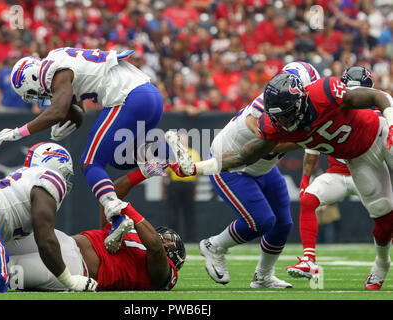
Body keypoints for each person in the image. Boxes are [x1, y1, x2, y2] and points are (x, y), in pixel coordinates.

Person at [172, 68, 393, 291]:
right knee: (384, 215)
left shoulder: (324, 91)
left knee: (280, 222)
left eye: (285, 114)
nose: (282, 122)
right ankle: (381, 264)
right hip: (356, 159)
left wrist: (391, 122)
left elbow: (378, 96)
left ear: (300, 99)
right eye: (277, 116)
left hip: (382, 133)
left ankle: (264, 274)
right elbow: (244, 155)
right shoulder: (274, 123)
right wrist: (196, 169)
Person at [0, 48, 180, 253]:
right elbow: (75, 107)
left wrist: (18, 132)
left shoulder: (54, 71)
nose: (38, 95)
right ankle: (163, 151)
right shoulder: (60, 59)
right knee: (118, 158)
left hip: (129, 97)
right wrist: (66, 121)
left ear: (32, 75)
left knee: (91, 163)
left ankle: (115, 213)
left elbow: (57, 110)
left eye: (31, 91)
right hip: (151, 96)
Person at [185, 61, 320, 289]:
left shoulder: (302, 105)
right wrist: (310, 139)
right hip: (230, 164)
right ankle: (214, 245)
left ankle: (263, 276)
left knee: (283, 223)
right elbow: (269, 144)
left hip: (262, 168)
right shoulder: (264, 107)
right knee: (262, 221)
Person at [0, 142, 97, 292]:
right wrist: (69, 280)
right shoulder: (50, 178)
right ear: (56, 165)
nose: (64, 178)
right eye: (65, 172)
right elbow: (45, 239)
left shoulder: (22, 176)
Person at [4, 168, 185, 291]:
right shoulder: (128, 232)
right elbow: (111, 193)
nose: (164, 238)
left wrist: (125, 208)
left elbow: (154, 245)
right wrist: (142, 173)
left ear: (172, 255)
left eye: (169, 240)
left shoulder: (164, 272)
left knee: (3, 271)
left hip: (75, 269)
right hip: (63, 241)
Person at [286, 66, 376, 280]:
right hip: (337, 174)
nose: (354, 97)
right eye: (350, 91)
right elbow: (312, 147)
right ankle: (309, 261)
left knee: (386, 215)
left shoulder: (377, 113)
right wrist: (305, 180)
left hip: (367, 173)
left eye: (358, 91)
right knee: (308, 200)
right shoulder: (330, 108)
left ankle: (382, 263)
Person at [164, 134, 201, 242]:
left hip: (188, 185)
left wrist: (195, 187)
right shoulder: (172, 154)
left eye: (184, 140)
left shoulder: (193, 153)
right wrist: (164, 188)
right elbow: (166, 173)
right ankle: (173, 238)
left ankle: (190, 239)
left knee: (189, 213)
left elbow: (197, 171)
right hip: (175, 184)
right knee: (173, 213)